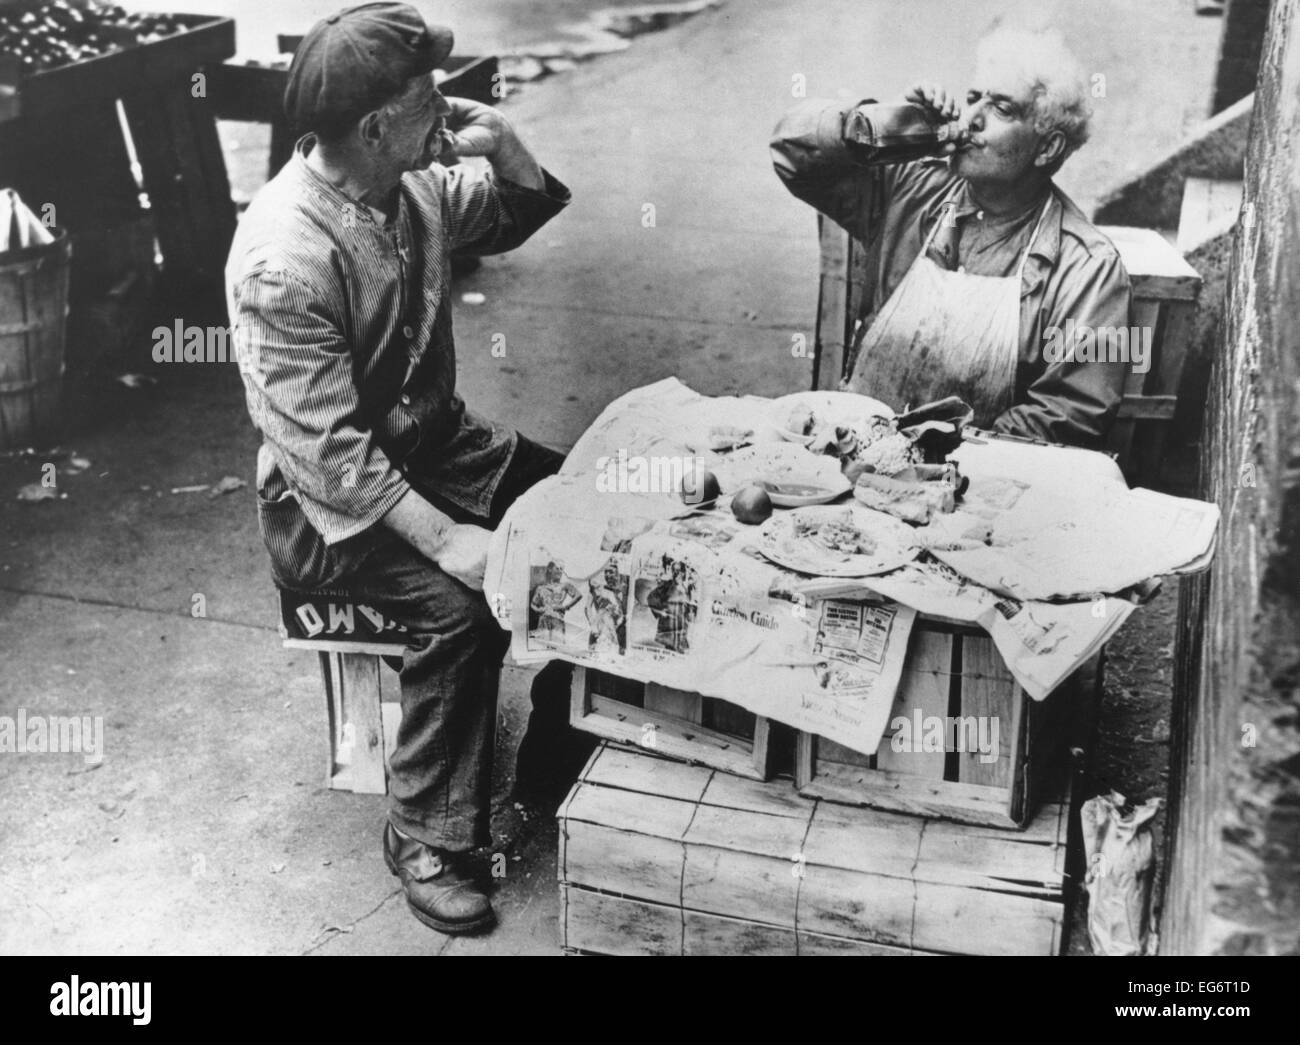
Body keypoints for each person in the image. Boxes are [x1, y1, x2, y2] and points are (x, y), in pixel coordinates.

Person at [226, 3, 586, 937]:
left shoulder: (406, 186)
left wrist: (503, 144)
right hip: (328, 511)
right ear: (377, 125)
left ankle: (557, 747)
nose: (449, 109)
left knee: (593, 509)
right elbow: (332, 457)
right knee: (460, 613)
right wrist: (450, 538)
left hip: (440, 451)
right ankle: (425, 831)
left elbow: (508, 213)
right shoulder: (283, 257)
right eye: (429, 99)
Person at [771, 28, 1131, 449]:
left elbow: (1073, 415)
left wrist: (927, 451)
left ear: (1047, 148)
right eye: (973, 97)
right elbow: (792, 154)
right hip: (850, 451)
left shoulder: (1089, 268)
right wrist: (891, 124)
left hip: (975, 480)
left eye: (1001, 108)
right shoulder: (911, 187)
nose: (970, 118)